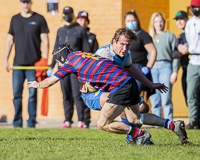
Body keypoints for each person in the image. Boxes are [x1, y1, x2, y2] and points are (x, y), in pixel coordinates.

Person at [28, 28, 188, 146]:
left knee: (102, 123)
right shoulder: (87, 54)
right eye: (123, 44)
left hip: (117, 88)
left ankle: (139, 135)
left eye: (128, 45)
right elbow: (92, 71)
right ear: (114, 42)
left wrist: (37, 84)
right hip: (127, 84)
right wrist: (84, 82)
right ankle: (171, 125)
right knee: (135, 119)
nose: (125, 48)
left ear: (61, 59)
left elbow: (51, 81)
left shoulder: (69, 62)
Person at [4, 0, 49, 128]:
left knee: (32, 95)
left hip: (33, 65)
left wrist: (44, 60)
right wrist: (5, 60)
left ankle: (31, 123)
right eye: (23, 2)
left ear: (31, 3)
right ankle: (17, 123)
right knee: (17, 94)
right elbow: (9, 40)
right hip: (18, 64)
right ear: (20, 3)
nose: (26, 5)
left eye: (28, 2)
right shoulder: (15, 19)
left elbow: (45, 41)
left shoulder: (39, 19)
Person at [46, 6, 91, 129]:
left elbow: (86, 49)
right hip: (63, 69)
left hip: (76, 69)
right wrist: (51, 66)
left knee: (77, 95)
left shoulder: (80, 30)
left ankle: (81, 121)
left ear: (73, 15)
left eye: (69, 13)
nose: (67, 15)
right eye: (65, 13)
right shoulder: (60, 30)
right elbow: (56, 50)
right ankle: (67, 120)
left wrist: (84, 67)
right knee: (66, 95)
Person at [148, 12, 179, 122]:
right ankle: (157, 123)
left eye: (160, 21)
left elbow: (175, 55)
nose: (158, 24)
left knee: (166, 98)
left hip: (166, 67)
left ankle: (169, 123)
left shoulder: (170, 35)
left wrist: (175, 71)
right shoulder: (149, 36)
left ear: (164, 22)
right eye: (156, 21)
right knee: (154, 99)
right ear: (153, 23)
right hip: (151, 68)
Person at [124, 11, 157, 98]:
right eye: (128, 21)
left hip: (138, 68)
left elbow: (153, 51)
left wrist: (148, 67)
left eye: (133, 20)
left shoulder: (143, 35)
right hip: (125, 68)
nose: (130, 23)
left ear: (137, 21)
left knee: (135, 94)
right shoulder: (124, 35)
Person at [184, 0, 200, 129]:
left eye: (198, 7)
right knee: (191, 93)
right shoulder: (189, 23)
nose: (196, 9)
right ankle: (193, 120)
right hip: (193, 60)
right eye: (194, 7)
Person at [172, 11, 189, 105]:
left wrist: (186, 49)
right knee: (188, 99)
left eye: (181, 19)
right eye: (177, 20)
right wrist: (180, 49)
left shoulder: (193, 34)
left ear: (187, 19)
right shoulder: (179, 37)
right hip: (185, 70)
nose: (179, 22)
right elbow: (173, 54)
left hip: (195, 69)